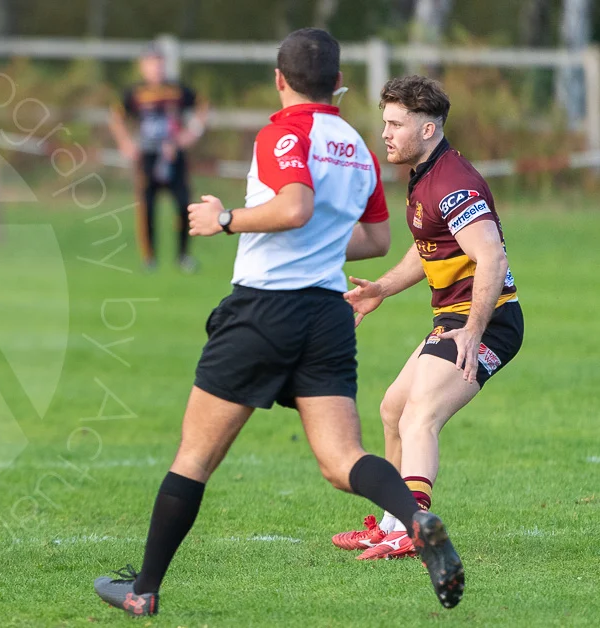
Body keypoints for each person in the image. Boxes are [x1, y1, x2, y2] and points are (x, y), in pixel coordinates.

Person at [91, 29, 464, 617]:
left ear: (279, 80)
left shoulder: (282, 130)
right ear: (340, 84)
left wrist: (226, 218)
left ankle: (143, 590)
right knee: (342, 459)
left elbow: (295, 206)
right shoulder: (359, 145)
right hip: (326, 314)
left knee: (195, 456)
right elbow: (375, 239)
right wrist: (316, 241)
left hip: (264, 308)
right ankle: (417, 518)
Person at [330, 75, 522, 559]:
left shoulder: (455, 183)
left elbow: (492, 257)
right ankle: (392, 522)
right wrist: (382, 289)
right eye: (385, 123)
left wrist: (473, 333)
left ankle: (413, 530)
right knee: (393, 408)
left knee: (421, 414)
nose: (386, 133)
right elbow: (430, 248)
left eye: (396, 124)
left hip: (488, 320)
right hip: (454, 319)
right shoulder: (426, 176)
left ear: (429, 129)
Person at [109, 46, 208, 273]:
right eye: (152, 63)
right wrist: (125, 143)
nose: (157, 68)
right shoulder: (135, 93)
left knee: (184, 205)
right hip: (147, 156)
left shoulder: (176, 90)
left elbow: (203, 106)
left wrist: (191, 134)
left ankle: (183, 256)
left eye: (160, 63)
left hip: (174, 155)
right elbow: (116, 117)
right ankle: (149, 258)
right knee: (147, 207)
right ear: (143, 66)